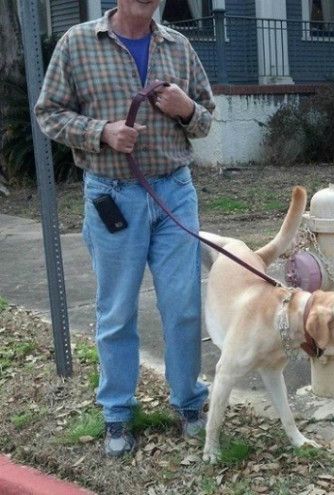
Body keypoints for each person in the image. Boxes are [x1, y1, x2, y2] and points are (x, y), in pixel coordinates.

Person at [35, 0, 214, 457]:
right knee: (116, 310)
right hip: (112, 193)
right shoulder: (77, 43)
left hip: (174, 191)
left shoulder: (178, 45)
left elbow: (206, 120)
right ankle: (117, 413)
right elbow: (49, 113)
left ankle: (189, 401)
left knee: (185, 306)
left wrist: (185, 107)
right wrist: (102, 132)